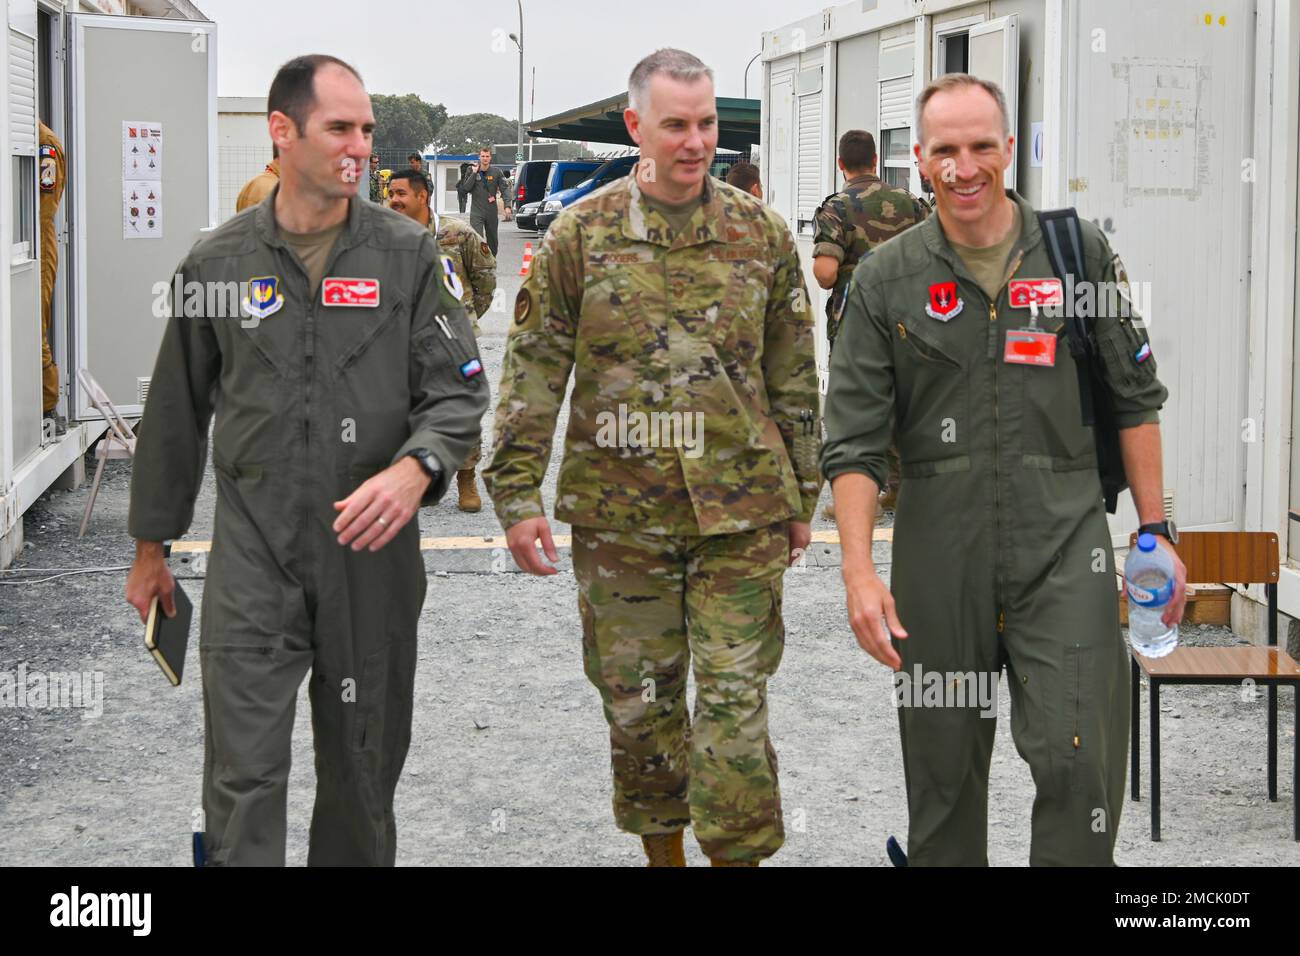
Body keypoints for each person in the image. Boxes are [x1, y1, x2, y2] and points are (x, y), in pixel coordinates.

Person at [123, 54, 488, 866]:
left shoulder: (408, 258)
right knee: (242, 776)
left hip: (370, 557)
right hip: (254, 556)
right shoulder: (217, 266)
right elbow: (174, 415)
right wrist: (152, 550)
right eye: (341, 128)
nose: (361, 147)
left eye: (366, 129)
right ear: (281, 133)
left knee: (361, 776)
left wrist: (415, 468)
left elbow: (459, 390)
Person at [821, 73, 1184, 866]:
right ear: (918, 160)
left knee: (1078, 754)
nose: (965, 167)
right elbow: (852, 440)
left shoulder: (1076, 252)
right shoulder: (886, 279)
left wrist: (1154, 531)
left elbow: (1135, 397)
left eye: (982, 145)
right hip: (938, 552)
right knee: (943, 773)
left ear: (1009, 149)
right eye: (945, 150)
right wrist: (858, 570)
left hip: (1065, 543)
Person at [485, 48, 820, 867]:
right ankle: (664, 860)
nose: (695, 140)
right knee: (641, 710)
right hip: (619, 518)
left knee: (736, 707)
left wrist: (801, 498)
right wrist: (518, 494)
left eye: (706, 123)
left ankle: (735, 859)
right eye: (677, 124)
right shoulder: (580, 236)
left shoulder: (761, 234)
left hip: (739, 516)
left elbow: (794, 374)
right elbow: (534, 368)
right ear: (637, 126)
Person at [813, 130, 928, 520]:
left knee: (856, 407)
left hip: (855, 323)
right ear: (876, 161)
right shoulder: (911, 204)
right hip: (908, 321)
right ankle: (902, 489)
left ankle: (858, 498)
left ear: (840, 163)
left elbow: (826, 274)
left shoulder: (836, 208)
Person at [387, 168, 497, 513]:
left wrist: (464, 319)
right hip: (401, 339)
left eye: (401, 194)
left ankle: (466, 479)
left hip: (453, 341)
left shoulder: (458, 234)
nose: (393, 201)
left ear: (423, 197)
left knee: (462, 407)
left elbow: (486, 281)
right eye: (391, 194)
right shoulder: (385, 236)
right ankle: (417, 476)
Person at [38, 120, 66, 431]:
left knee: (34, 325)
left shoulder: (45, 143)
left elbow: (44, 206)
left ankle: (46, 406)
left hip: (37, 246)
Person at [457, 147, 508, 255]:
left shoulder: (497, 172)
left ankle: (491, 261)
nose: (485, 158)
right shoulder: (471, 170)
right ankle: (479, 264)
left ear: (490, 158)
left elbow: (505, 189)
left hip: (491, 211)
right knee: (477, 238)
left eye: (487, 156)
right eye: (483, 156)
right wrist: (474, 173)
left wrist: (507, 206)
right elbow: (466, 188)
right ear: (479, 157)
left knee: (493, 240)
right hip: (477, 211)